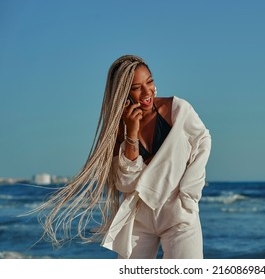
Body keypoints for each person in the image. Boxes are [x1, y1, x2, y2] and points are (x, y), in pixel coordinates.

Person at [34, 55, 212, 259]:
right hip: (138, 215)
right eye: (137, 87)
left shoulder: (177, 110)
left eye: (150, 81)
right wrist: (131, 134)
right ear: (123, 92)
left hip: (178, 211)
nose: (147, 92)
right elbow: (126, 184)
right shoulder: (117, 129)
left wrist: (189, 193)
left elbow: (203, 142)